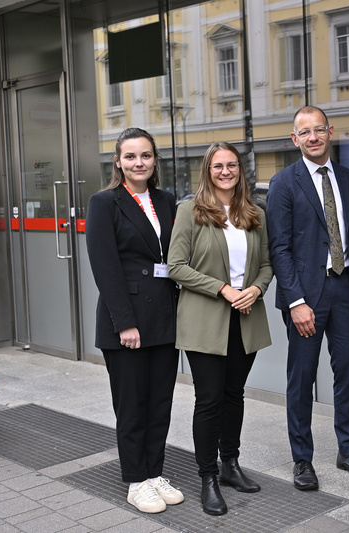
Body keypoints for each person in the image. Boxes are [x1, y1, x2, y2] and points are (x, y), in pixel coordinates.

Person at [267, 106, 349, 491]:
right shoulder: (283, 183)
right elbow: (279, 249)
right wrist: (296, 302)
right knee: (301, 380)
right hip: (306, 298)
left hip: (346, 290)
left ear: (330, 132)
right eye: (304, 132)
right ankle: (302, 460)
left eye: (319, 130)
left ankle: (348, 451)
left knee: (348, 375)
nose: (313, 137)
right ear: (294, 140)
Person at [168, 142, 273, 516]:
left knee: (234, 395)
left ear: (240, 170)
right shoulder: (189, 212)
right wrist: (224, 288)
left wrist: (257, 289)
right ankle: (208, 477)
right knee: (209, 400)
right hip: (204, 321)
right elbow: (176, 266)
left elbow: (267, 263)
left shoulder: (254, 212)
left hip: (245, 319)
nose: (225, 171)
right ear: (207, 171)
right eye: (218, 166)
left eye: (232, 165)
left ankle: (230, 465)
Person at [86, 127, 184, 514]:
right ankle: (136, 480)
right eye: (130, 157)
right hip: (126, 321)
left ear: (155, 160)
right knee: (132, 405)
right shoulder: (104, 202)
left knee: (160, 403)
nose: (138, 163)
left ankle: (155, 471)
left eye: (145, 156)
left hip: (164, 315)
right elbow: (105, 266)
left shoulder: (167, 200)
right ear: (118, 161)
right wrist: (124, 322)